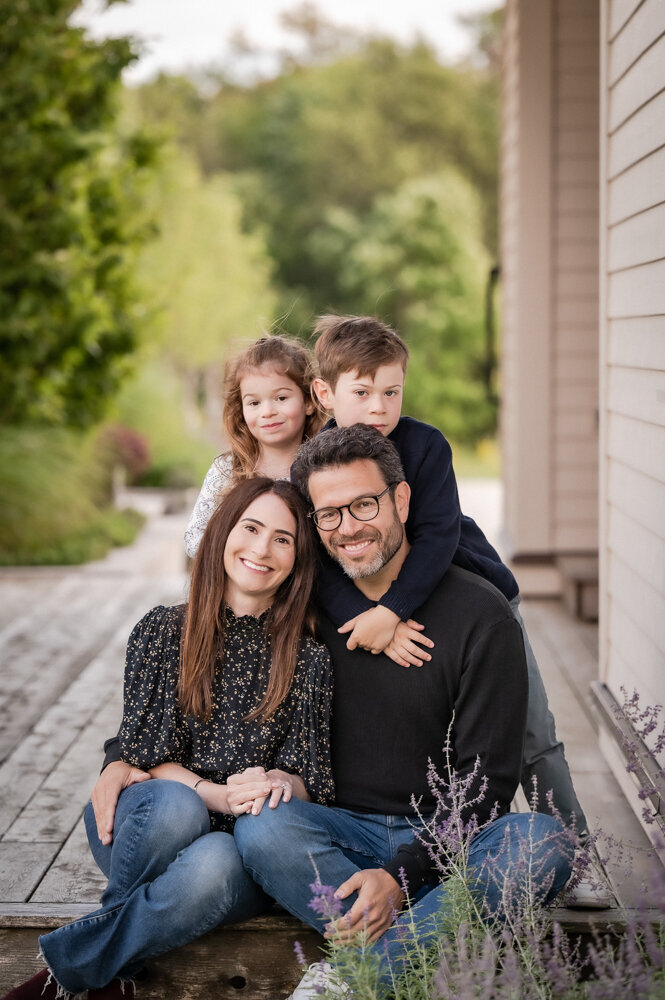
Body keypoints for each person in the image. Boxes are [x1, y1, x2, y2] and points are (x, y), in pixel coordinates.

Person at [233, 425, 573, 998]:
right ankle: (410, 954)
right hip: (340, 834)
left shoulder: (482, 616)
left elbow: (486, 784)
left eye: (363, 504)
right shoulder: (307, 609)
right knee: (264, 828)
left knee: (542, 843)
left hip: (454, 839)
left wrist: (401, 878)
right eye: (329, 515)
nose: (349, 528)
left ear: (402, 499)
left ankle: (351, 980)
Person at [3, 478, 334, 1000]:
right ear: (224, 533)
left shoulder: (308, 658)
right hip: (151, 820)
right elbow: (143, 757)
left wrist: (272, 781)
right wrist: (216, 794)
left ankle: (81, 978)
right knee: (179, 807)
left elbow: (309, 778)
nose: (262, 549)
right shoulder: (162, 632)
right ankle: (101, 970)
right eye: (251, 528)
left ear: (298, 558)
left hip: (235, 850)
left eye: (283, 538)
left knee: (219, 860)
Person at [309, 314, 588, 837]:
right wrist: (363, 618)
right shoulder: (318, 461)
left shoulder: (424, 445)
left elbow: (438, 537)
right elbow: (318, 559)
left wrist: (389, 611)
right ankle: (428, 837)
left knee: (532, 729)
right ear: (325, 392)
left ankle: (571, 845)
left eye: (392, 392)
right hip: (381, 608)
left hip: (468, 592)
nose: (379, 407)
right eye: (363, 391)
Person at [184, 334, 323, 559]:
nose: (267, 411)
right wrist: (246, 560)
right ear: (242, 409)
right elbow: (194, 540)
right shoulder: (228, 470)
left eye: (281, 398)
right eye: (254, 403)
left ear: (309, 401)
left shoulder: (324, 470)